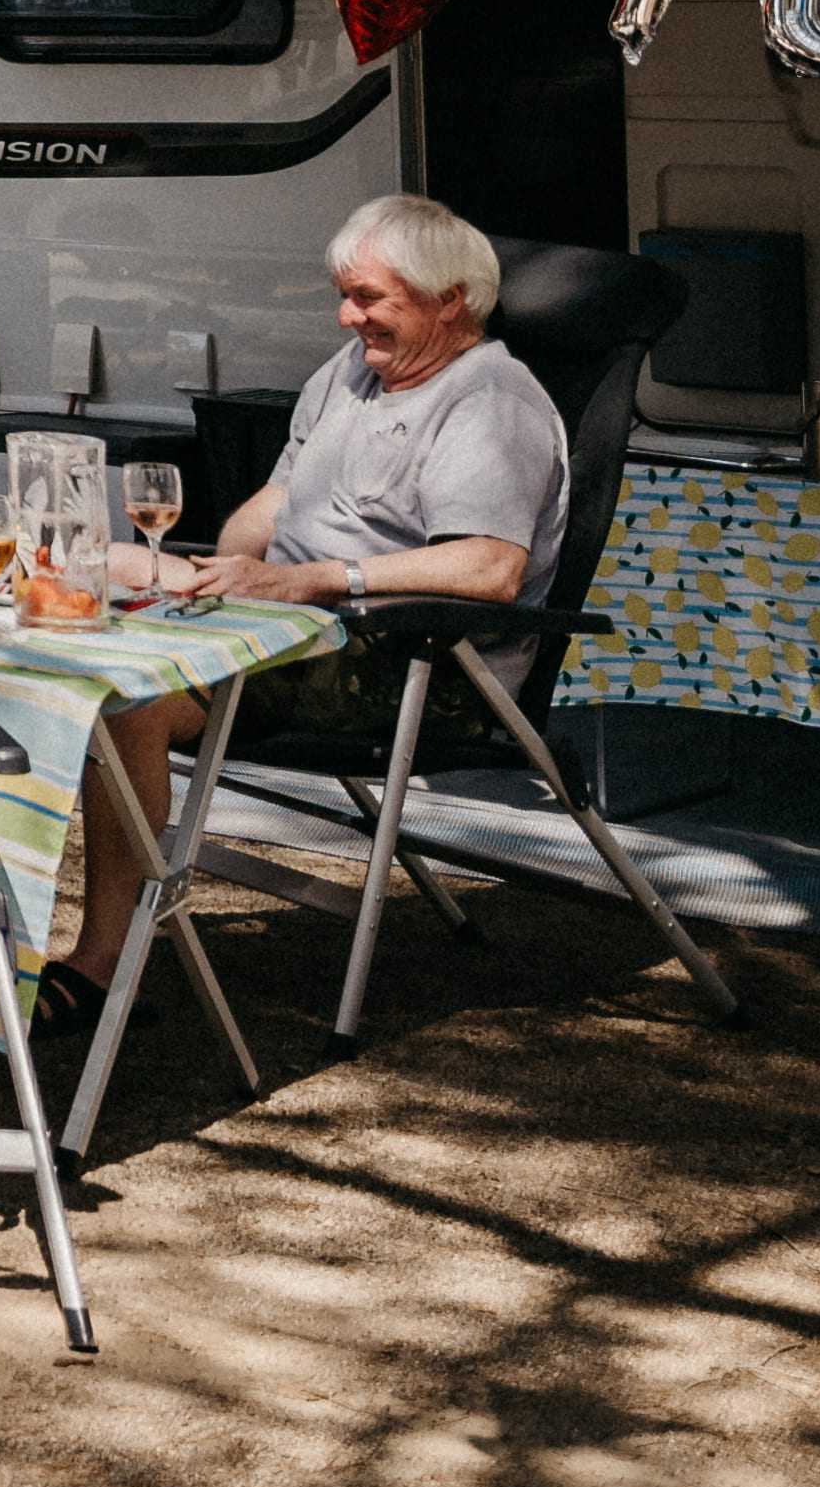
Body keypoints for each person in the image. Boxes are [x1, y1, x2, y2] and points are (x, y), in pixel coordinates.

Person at [42, 192, 566, 1031]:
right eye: (346, 293)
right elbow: (280, 496)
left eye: (369, 298)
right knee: (88, 650)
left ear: (450, 300)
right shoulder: (350, 375)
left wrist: (316, 580)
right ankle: (24, 937)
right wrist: (221, 568)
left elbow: (489, 566)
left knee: (131, 697)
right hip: (299, 630)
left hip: (416, 662)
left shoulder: (491, 401)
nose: (346, 314)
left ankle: (101, 965)